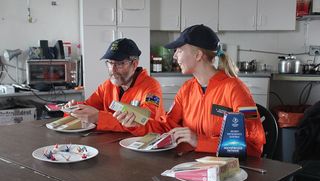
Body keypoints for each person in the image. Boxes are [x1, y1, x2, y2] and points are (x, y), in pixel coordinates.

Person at [115, 25, 266, 157]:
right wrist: (136, 123)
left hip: (223, 175)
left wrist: (199, 141)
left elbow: (254, 145)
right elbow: (166, 128)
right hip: (187, 167)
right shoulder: (187, 89)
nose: (174, 56)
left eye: (179, 50)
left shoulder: (236, 89)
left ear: (198, 54)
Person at [65, 38, 165, 132]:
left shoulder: (151, 87)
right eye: (110, 63)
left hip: (140, 146)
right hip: (110, 144)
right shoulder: (107, 86)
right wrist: (73, 109)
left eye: (119, 64)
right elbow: (88, 107)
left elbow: (147, 123)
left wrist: (99, 118)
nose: (112, 70)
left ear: (134, 64)